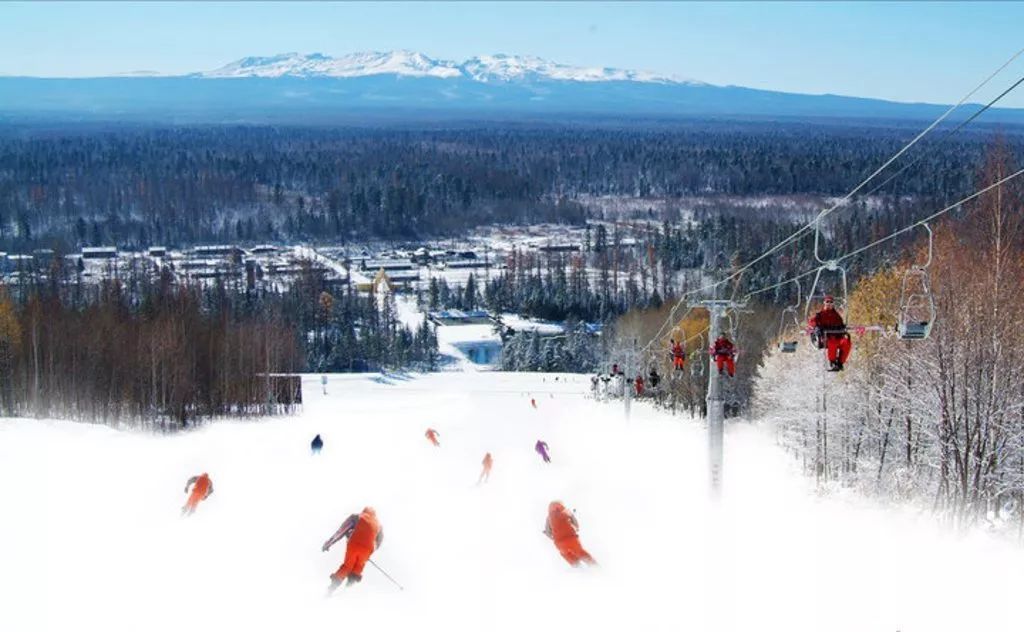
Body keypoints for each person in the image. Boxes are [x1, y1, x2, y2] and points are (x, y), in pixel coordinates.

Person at [323, 507, 383, 590]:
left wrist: (328, 544)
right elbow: (378, 542)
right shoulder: (378, 524)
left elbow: (341, 531)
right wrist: (368, 552)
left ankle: (332, 587)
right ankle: (348, 588)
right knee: (359, 566)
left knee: (347, 566)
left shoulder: (357, 517)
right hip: (368, 549)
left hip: (354, 544)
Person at [544, 501, 596, 567]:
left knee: (569, 557)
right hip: (572, 539)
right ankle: (597, 569)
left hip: (560, 543)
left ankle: (580, 572)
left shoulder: (548, 517)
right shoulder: (567, 511)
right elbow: (576, 524)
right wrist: (576, 529)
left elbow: (548, 533)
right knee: (581, 553)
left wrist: (554, 538)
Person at [809, 295, 852, 371]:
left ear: (833, 304)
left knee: (846, 342)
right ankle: (832, 362)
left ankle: (840, 363)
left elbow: (841, 324)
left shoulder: (836, 316)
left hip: (837, 337)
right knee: (833, 342)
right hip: (826, 338)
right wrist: (817, 327)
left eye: (831, 302)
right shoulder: (820, 315)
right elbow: (812, 322)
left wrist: (842, 328)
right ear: (824, 303)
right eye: (827, 302)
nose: (829, 304)